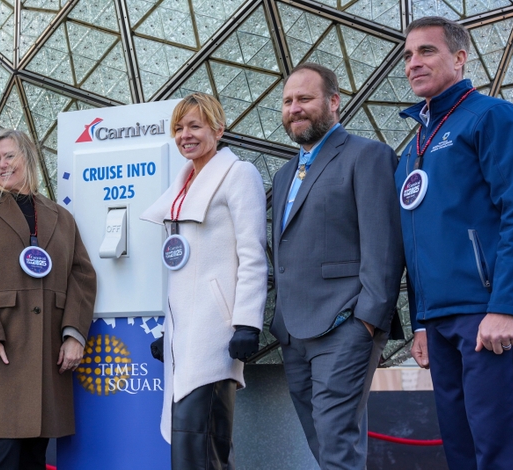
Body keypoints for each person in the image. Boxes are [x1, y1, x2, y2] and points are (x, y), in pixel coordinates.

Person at [398, 16, 513, 469]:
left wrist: (506, 305)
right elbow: (417, 240)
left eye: (426, 51)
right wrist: (420, 321)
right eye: (407, 56)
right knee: (462, 453)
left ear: (460, 58)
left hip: (488, 315)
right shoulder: (413, 146)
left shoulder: (493, 117)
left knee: (507, 452)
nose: (413, 63)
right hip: (439, 322)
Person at [269, 62, 403, 470]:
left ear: (333, 102)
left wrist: (366, 321)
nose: (295, 108)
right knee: (323, 442)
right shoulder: (283, 174)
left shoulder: (368, 155)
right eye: (289, 101)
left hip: (345, 325)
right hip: (293, 330)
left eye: (305, 98)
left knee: (335, 439)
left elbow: (383, 245)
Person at [0, 129, 96, 469]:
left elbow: (82, 276)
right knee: (2, 455)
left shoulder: (60, 217)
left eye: (9, 156)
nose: (1, 165)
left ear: (28, 160)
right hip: (0, 354)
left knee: (34, 458)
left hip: (47, 357)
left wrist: (74, 333)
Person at [141, 93, 267, 469]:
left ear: (218, 129)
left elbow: (252, 253)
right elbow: (183, 270)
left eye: (194, 126)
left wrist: (246, 322)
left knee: (203, 451)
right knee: (188, 451)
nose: (185, 135)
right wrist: (171, 331)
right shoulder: (180, 188)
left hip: (216, 336)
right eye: (179, 128)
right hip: (184, 340)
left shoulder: (238, 174)